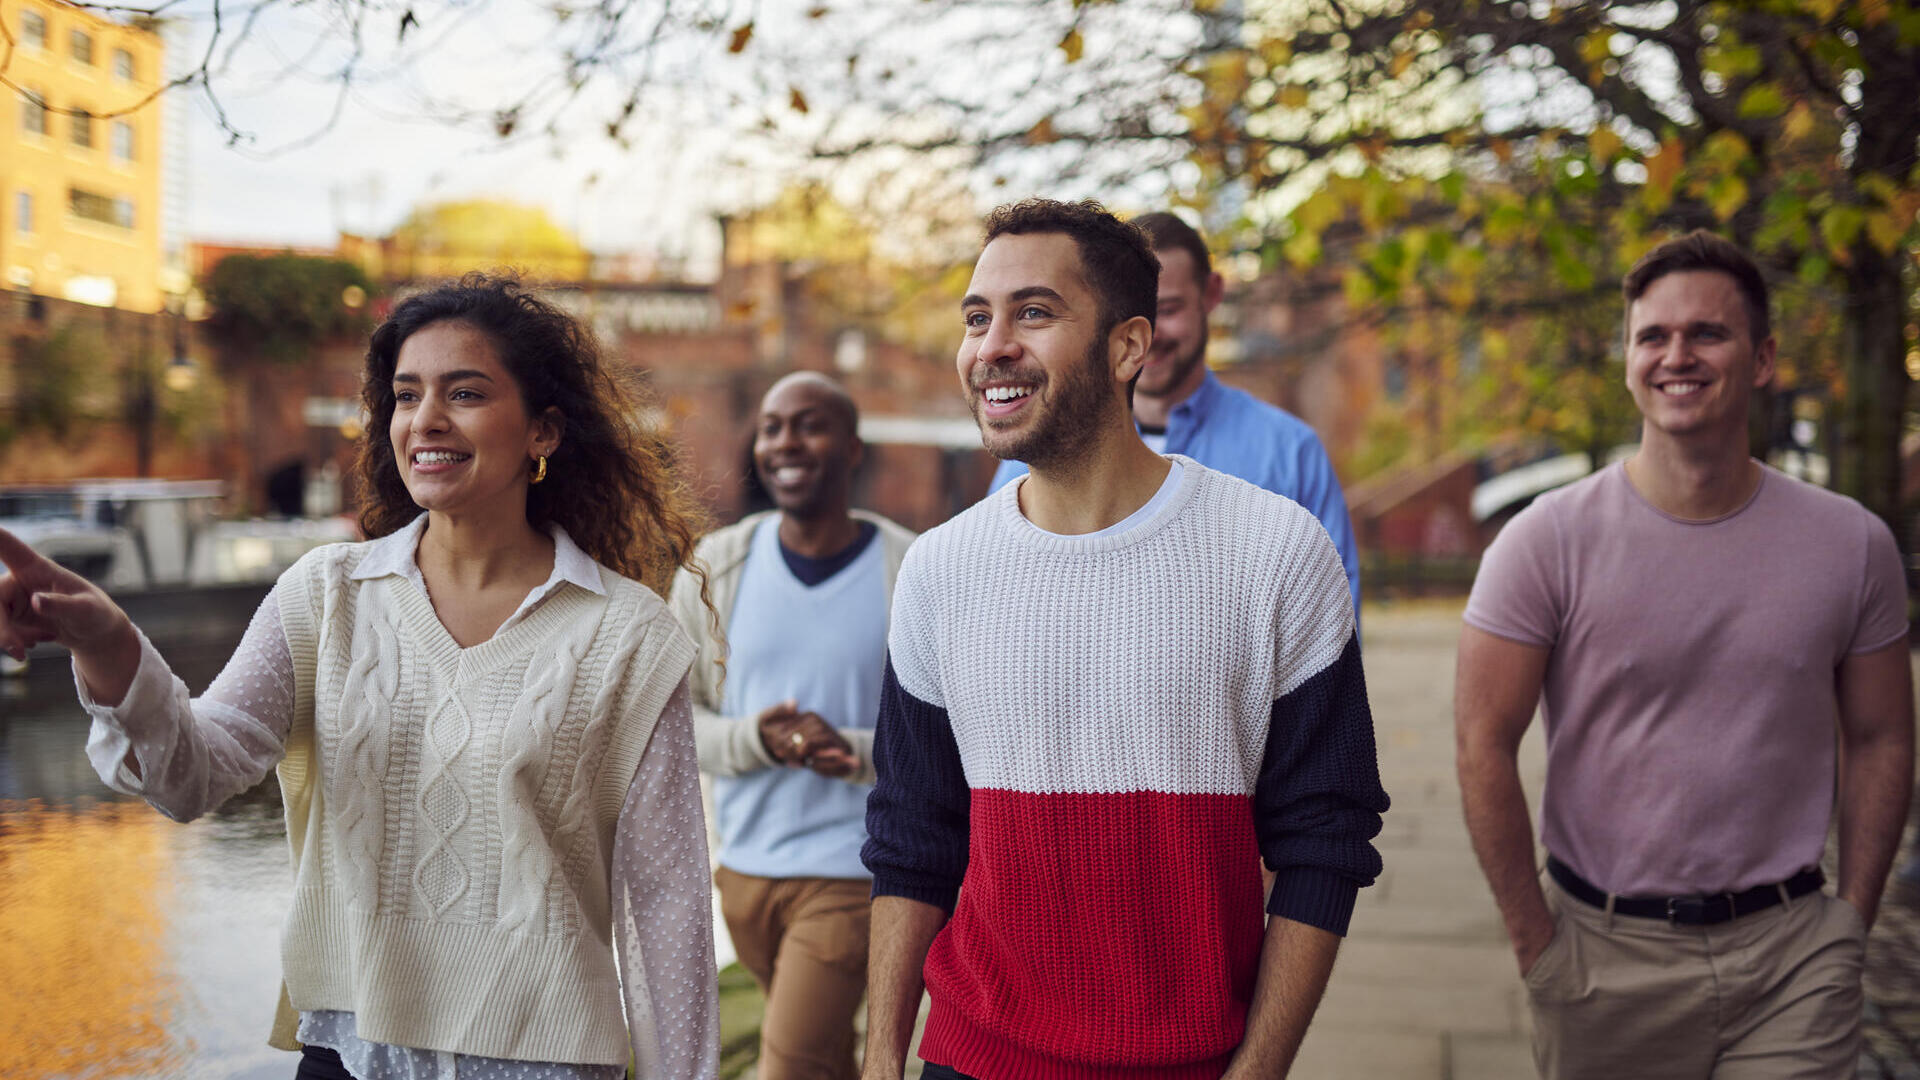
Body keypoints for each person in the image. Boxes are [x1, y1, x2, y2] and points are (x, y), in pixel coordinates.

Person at [0, 275, 721, 1080]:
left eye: (467, 393)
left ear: (543, 431)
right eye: (406, 395)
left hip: (542, 1064)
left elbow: (668, 905)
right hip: (348, 1053)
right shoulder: (325, 595)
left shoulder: (627, 634)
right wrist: (108, 644)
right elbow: (192, 776)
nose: (426, 420)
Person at [859, 198, 1389, 1080]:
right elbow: (913, 834)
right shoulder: (938, 572)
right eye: (977, 318)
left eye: (1033, 312)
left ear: (1127, 346)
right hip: (972, 1057)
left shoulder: (1276, 552)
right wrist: (881, 1062)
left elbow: (1325, 843)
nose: (990, 345)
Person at [1456, 231, 1914, 1079]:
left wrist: (1852, 918)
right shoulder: (1543, 542)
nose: (1678, 355)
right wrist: (1537, 943)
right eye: (1652, 336)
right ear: (1627, 359)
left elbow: (1884, 735)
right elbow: (1483, 741)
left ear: (1764, 357)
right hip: (1601, 962)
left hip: (1794, 958)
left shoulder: (1852, 543)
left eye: (1707, 333)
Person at [668, 371, 915, 1080]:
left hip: (852, 869)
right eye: (772, 427)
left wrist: (857, 752)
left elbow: (952, 732)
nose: (786, 442)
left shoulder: (911, 567)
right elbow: (671, 720)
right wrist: (756, 740)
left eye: (809, 424)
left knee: (788, 1064)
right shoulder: (714, 568)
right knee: (823, 1059)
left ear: (852, 449)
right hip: (744, 872)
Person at [985, 211, 1361, 615]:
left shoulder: (1289, 453)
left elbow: (1332, 626)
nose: (1151, 334)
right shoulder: (1038, 453)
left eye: (1168, 308)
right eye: (1131, 314)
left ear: (1212, 293)